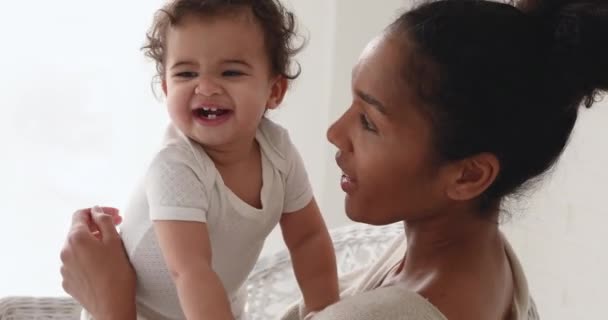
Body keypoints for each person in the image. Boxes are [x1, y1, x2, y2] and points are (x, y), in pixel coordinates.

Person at [61, 0, 608, 319]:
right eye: (184, 72)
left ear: (468, 174)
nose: (332, 132)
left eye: (369, 121)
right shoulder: (484, 260)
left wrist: (110, 299)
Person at [74, 0, 340, 319]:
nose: (207, 87)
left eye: (230, 72)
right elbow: (190, 271)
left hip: (219, 306)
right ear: (166, 87)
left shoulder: (278, 150)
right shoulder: (176, 165)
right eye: (186, 73)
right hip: (137, 312)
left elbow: (308, 238)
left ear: (275, 90)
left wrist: (324, 311)